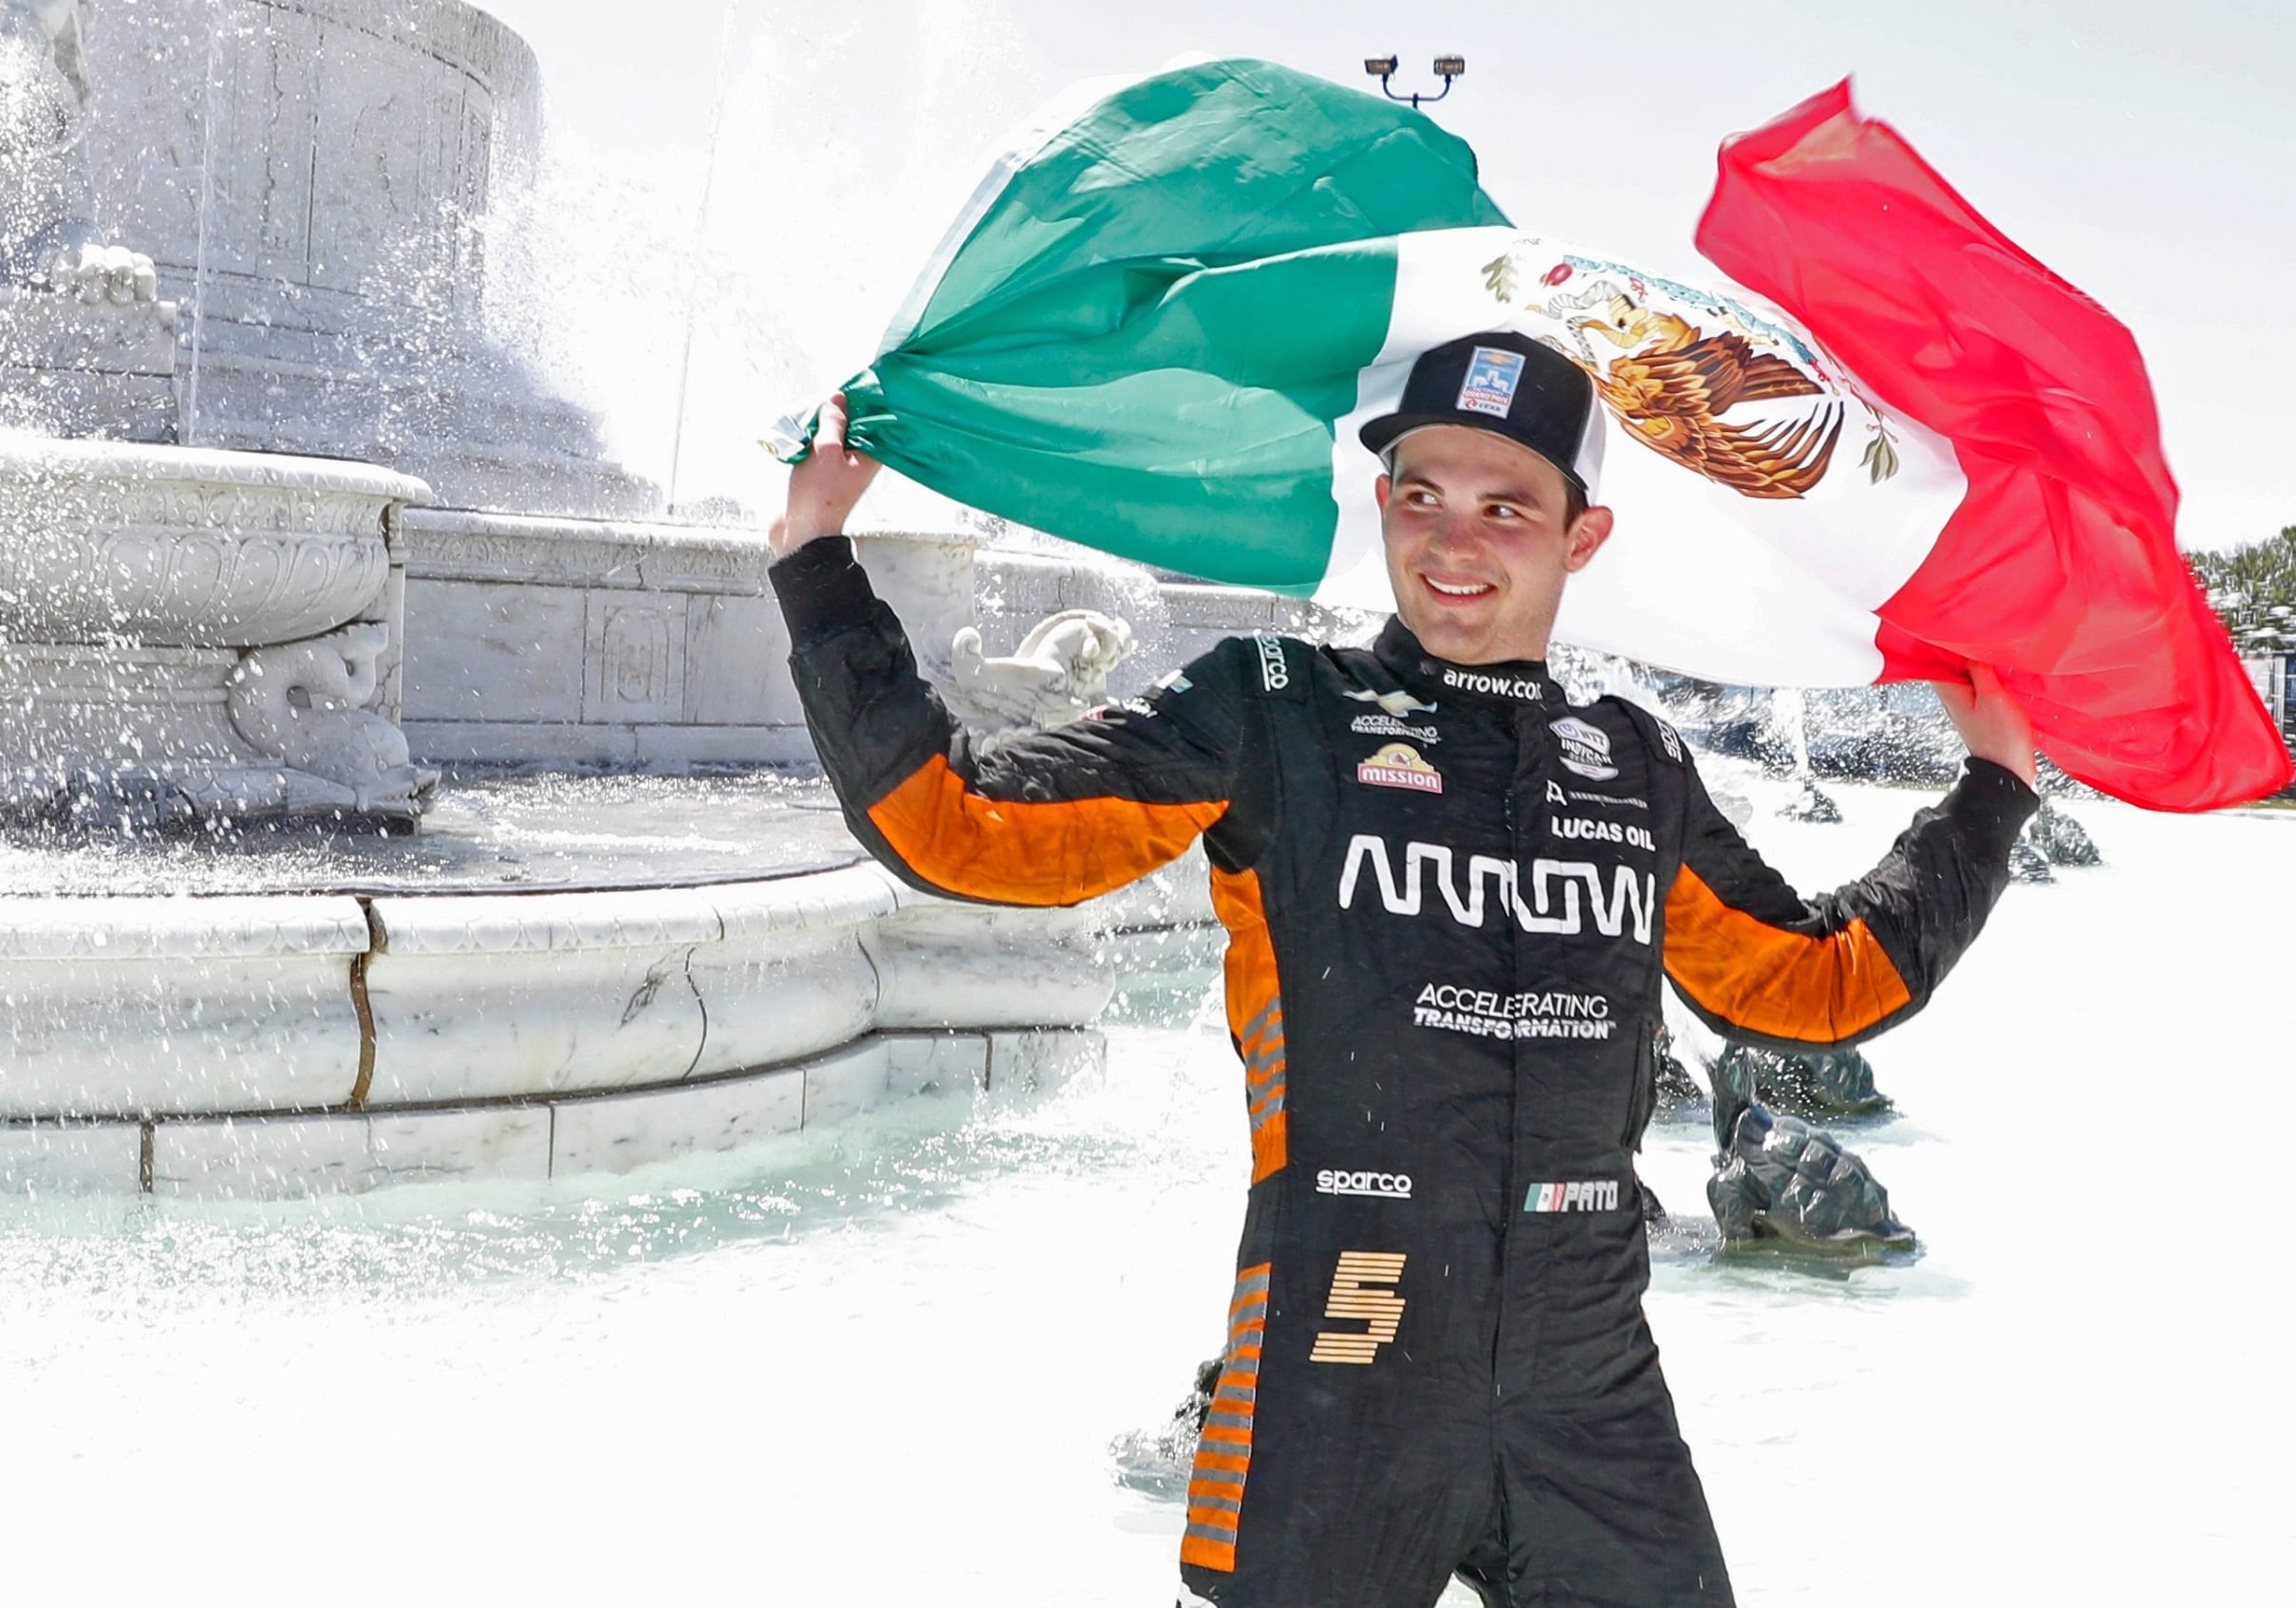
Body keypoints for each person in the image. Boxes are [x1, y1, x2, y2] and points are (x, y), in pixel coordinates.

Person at [767, 330, 2038, 1608]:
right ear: (1380, 504)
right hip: (1336, 1369)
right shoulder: (1272, 708)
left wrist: (1994, 793)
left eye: (1506, 509)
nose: (1455, 543)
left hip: (1589, 1385)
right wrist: (818, 563)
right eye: (1421, 496)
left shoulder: (1639, 766)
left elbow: (1817, 984)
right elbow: (956, 823)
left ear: (1579, 540)